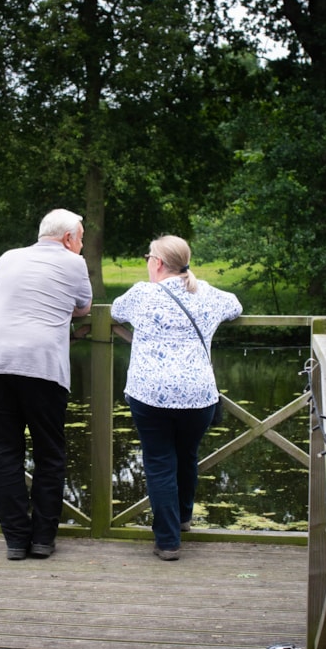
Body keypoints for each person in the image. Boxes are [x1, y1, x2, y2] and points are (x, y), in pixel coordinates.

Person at [111, 235, 242, 561]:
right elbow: (236, 306)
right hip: (198, 396)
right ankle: (183, 519)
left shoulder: (142, 294)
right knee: (186, 456)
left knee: (159, 464)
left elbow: (114, 312)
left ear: (156, 262)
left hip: (150, 395)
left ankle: (168, 541)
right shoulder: (207, 294)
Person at [0, 209, 92, 560]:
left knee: (4, 453)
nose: (82, 243)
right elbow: (84, 309)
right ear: (70, 238)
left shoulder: (9, 257)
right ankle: (42, 539)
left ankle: (15, 541)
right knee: (49, 455)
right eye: (82, 237)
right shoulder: (75, 263)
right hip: (43, 366)